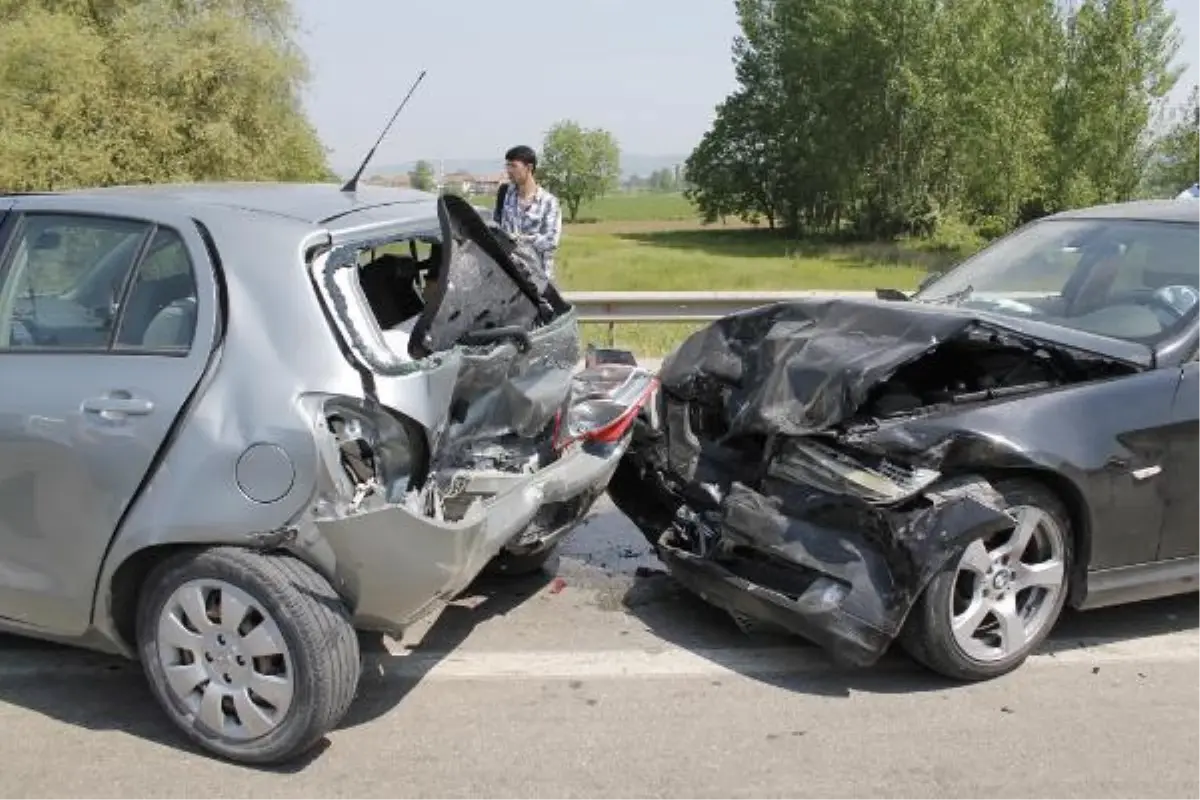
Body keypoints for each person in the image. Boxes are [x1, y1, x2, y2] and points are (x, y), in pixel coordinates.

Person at [494, 145, 562, 279]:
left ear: (529, 168)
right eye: (507, 166)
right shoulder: (504, 194)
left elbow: (551, 241)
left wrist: (518, 240)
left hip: (537, 279)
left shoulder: (549, 202)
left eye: (514, 166)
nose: (509, 171)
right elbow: (496, 228)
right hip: (508, 277)